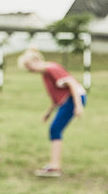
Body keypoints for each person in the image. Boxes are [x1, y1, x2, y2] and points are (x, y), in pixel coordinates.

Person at [18, 48, 86, 177]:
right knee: (55, 129)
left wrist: (78, 106)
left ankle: (55, 167)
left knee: (55, 129)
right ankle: (54, 165)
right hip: (68, 100)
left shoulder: (51, 69)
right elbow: (58, 95)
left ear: (36, 60)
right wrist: (49, 112)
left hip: (74, 98)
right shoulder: (45, 73)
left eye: (28, 66)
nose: (29, 70)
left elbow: (71, 83)